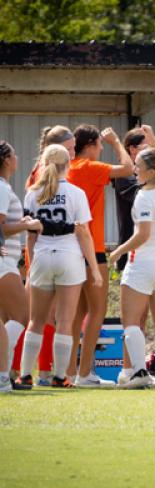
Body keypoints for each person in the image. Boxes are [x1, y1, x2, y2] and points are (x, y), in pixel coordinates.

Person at [19, 145, 102, 387]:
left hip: (43, 255)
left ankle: (25, 375)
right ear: (69, 163)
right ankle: (59, 376)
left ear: (44, 163)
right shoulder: (76, 193)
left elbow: (30, 235)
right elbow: (84, 233)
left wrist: (33, 263)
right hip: (69, 257)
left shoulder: (33, 193)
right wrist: (95, 270)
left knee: (36, 320)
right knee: (65, 321)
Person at [67, 124, 133, 387]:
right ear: (90, 145)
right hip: (91, 248)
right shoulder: (88, 167)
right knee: (97, 310)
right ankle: (85, 374)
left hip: (71, 248)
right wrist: (118, 143)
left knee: (77, 312)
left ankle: (69, 371)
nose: (102, 149)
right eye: (100, 145)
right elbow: (128, 169)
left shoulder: (69, 168)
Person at [109, 147, 155, 389]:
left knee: (130, 321)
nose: (134, 169)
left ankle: (139, 373)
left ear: (151, 171)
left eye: (138, 165)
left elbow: (143, 235)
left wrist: (118, 251)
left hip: (144, 263)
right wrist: (153, 140)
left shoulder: (145, 196)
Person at [12, 125, 77, 386]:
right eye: (71, 149)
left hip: (41, 256)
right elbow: (32, 226)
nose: (74, 154)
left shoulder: (39, 181)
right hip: (50, 253)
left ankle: (36, 371)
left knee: (41, 320)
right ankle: (22, 370)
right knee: (38, 318)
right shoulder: (44, 180)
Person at [0, 141, 43, 391]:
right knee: (21, 316)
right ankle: (3, 374)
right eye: (14, 154)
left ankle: (4, 373)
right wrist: (28, 225)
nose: (17, 158)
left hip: (7, 260)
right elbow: (2, 227)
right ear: (6, 159)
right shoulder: (2, 188)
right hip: (4, 261)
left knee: (11, 318)